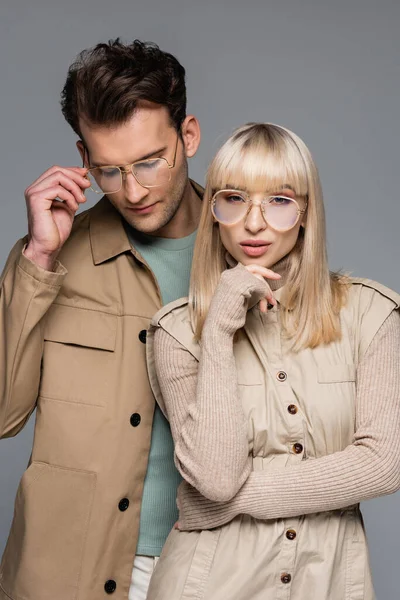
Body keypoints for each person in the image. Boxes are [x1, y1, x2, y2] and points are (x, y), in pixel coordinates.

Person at [145, 122, 400, 600]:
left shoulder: (373, 314)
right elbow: (217, 480)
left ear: (306, 213)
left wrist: (239, 502)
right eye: (234, 199)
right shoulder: (178, 332)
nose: (255, 223)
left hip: (330, 584)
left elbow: (383, 464)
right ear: (214, 211)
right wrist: (219, 326)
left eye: (279, 201)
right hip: (207, 583)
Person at [0, 39, 202, 600]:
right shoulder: (49, 260)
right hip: (72, 572)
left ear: (188, 136)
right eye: (109, 171)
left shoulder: (245, 254)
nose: (132, 191)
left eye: (148, 162)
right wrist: (37, 261)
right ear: (84, 160)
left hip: (216, 566)